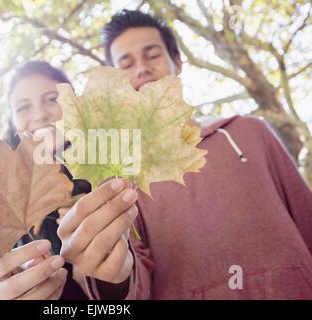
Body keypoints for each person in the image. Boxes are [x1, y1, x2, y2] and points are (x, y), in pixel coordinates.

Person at [57, 10, 312, 299]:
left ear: (177, 63)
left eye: (152, 55)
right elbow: (135, 279)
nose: (141, 69)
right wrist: (113, 274)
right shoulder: (120, 179)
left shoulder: (249, 132)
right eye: (125, 64)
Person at [0, 61, 91, 300]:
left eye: (52, 99)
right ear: (13, 124)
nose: (40, 115)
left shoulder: (107, 179)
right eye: (23, 107)